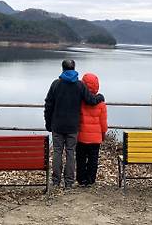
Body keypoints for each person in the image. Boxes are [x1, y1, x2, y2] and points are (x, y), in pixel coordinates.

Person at [44, 59, 104, 188]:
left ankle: (56, 181)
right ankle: (69, 182)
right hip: (73, 126)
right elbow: (91, 100)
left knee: (57, 152)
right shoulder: (79, 85)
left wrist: (48, 123)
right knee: (70, 152)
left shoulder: (55, 84)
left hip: (57, 125)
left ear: (63, 69)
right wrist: (101, 97)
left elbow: (48, 105)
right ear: (74, 68)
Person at [76, 72, 107, 186]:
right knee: (93, 159)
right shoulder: (101, 104)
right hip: (95, 137)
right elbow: (103, 123)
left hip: (81, 136)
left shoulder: (79, 101)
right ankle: (90, 179)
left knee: (80, 159)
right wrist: (103, 134)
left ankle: (81, 179)